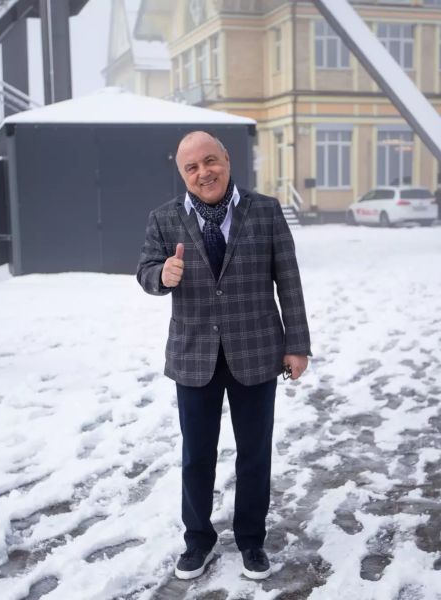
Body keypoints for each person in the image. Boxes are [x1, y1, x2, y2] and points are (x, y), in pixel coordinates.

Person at [136, 131, 312, 581]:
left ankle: (252, 541)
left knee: (254, 454)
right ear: (182, 174)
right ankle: (198, 542)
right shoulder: (164, 218)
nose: (203, 173)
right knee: (197, 456)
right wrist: (163, 274)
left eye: (209, 161)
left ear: (227, 160)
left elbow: (288, 281)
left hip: (257, 352)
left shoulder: (267, 211)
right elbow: (145, 272)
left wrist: (298, 345)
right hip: (194, 355)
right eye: (191, 168)